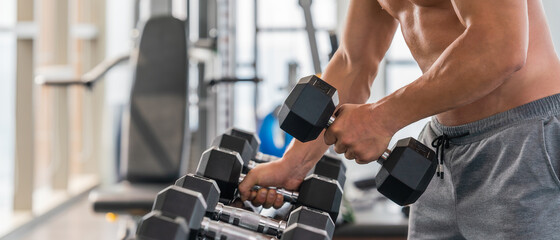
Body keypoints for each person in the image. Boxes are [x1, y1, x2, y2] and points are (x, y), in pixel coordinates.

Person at [239, 0, 560, 239]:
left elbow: (501, 46)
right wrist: (292, 166)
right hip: (440, 151)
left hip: (523, 142)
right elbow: (354, 62)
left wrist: (382, 118)